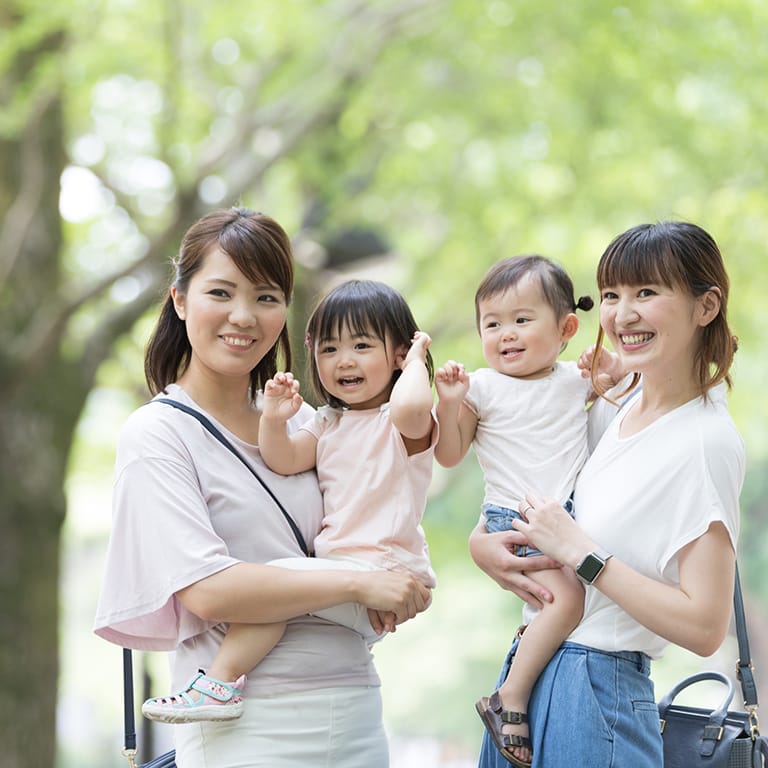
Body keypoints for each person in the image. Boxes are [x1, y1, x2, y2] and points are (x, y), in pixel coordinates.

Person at [93, 207, 431, 768]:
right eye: (221, 293)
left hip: (355, 709)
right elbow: (206, 591)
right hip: (245, 728)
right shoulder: (159, 434)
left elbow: (375, 518)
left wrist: (398, 583)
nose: (243, 316)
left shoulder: (309, 425)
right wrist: (361, 584)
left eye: (266, 297)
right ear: (180, 300)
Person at [470, 221, 744, 768]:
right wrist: (482, 544)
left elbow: (705, 626)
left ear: (706, 306)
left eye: (647, 292)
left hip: (599, 687)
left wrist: (582, 555)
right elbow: (536, 488)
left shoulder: (705, 440)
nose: (622, 315)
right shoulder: (613, 406)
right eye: (613, 295)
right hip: (530, 673)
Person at [141, 278, 438, 724]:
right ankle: (220, 685)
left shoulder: (399, 425)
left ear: (396, 355)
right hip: (344, 573)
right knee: (277, 592)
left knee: (276, 584)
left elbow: (413, 405)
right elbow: (283, 460)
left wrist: (416, 360)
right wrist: (276, 422)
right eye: (329, 349)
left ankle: (219, 683)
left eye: (361, 346)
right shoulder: (327, 422)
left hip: (388, 571)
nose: (344, 361)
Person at [434, 255, 620, 767]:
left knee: (556, 604)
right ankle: (508, 698)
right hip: (514, 520)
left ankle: (518, 692)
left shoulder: (573, 381)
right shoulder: (482, 387)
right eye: (492, 324)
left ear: (566, 328)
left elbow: (626, 390)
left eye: (521, 320)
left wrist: (612, 366)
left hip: (562, 519)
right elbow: (448, 454)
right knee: (566, 603)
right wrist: (450, 403)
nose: (506, 334)